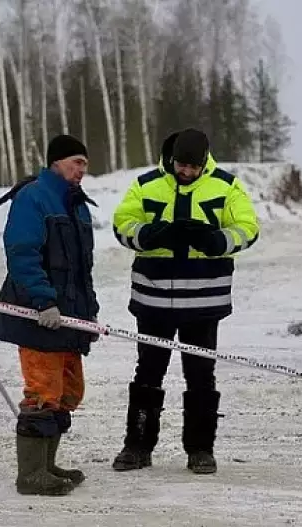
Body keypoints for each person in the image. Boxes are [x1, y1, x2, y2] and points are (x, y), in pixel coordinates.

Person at [109, 127, 260, 474]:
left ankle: (200, 450)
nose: (187, 172)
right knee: (148, 372)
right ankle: (137, 447)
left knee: (201, 375)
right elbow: (123, 224)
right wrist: (148, 234)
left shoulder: (226, 186)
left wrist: (217, 241)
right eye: (182, 165)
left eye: (194, 167)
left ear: (205, 161)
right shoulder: (146, 185)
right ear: (172, 159)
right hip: (153, 299)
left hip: (204, 304)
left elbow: (248, 228)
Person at [0, 134, 100, 496]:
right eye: (77, 162)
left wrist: (89, 314)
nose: (83, 169)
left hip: (68, 316)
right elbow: (22, 253)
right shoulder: (34, 197)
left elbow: (83, 270)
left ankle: (48, 464)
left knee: (69, 392)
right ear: (57, 163)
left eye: (85, 163)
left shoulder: (78, 203)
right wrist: (42, 302)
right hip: (38, 314)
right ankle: (31, 475)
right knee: (43, 391)